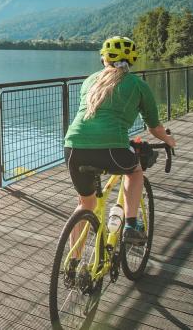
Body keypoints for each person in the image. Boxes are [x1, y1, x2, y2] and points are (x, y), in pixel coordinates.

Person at [64, 36, 176, 245]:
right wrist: (168, 140)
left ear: (103, 59)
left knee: (85, 204)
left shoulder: (90, 80)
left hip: (73, 148)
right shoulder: (137, 84)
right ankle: (131, 224)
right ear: (132, 60)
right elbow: (154, 126)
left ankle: (73, 265)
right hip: (111, 149)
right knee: (134, 171)